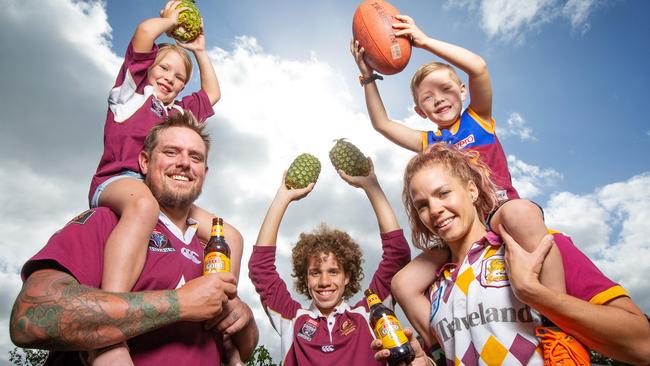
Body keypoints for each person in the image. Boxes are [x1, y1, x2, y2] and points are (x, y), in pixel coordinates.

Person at [350, 14, 566, 327]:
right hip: (456, 229)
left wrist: (423, 41)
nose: (438, 99)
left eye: (445, 89)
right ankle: (444, 349)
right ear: (419, 111)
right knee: (403, 284)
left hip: (496, 213)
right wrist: (368, 76)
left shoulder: (477, 118)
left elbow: (478, 66)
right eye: (428, 97)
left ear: (462, 91)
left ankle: (560, 324)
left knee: (522, 214)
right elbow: (382, 124)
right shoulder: (431, 142)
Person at [9, 112, 258, 366]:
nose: (184, 163)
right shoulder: (107, 222)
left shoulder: (213, 251)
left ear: (204, 172)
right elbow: (31, 316)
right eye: (171, 152)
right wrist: (179, 302)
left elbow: (242, 349)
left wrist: (245, 320)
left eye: (195, 157)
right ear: (144, 162)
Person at [377, 143, 650, 365]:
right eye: (422, 205)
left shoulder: (534, 246)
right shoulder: (435, 285)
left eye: (444, 193)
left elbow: (644, 345)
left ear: (471, 190)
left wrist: (535, 293)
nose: (434, 209)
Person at [87, 1, 237, 363]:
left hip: (163, 195)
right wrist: (171, 22)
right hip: (119, 180)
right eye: (163, 68)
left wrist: (199, 50)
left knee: (228, 235)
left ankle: (222, 320)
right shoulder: (131, 96)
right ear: (146, 69)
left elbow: (213, 94)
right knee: (142, 205)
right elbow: (142, 34)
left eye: (179, 77)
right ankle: (110, 328)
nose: (170, 78)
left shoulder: (175, 114)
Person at [248, 158, 411, 365]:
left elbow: (397, 254)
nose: (324, 281)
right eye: (315, 272)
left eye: (333, 271)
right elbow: (260, 268)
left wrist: (371, 186)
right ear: (305, 279)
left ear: (347, 277)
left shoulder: (369, 315)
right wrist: (283, 198)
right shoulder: (292, 320)